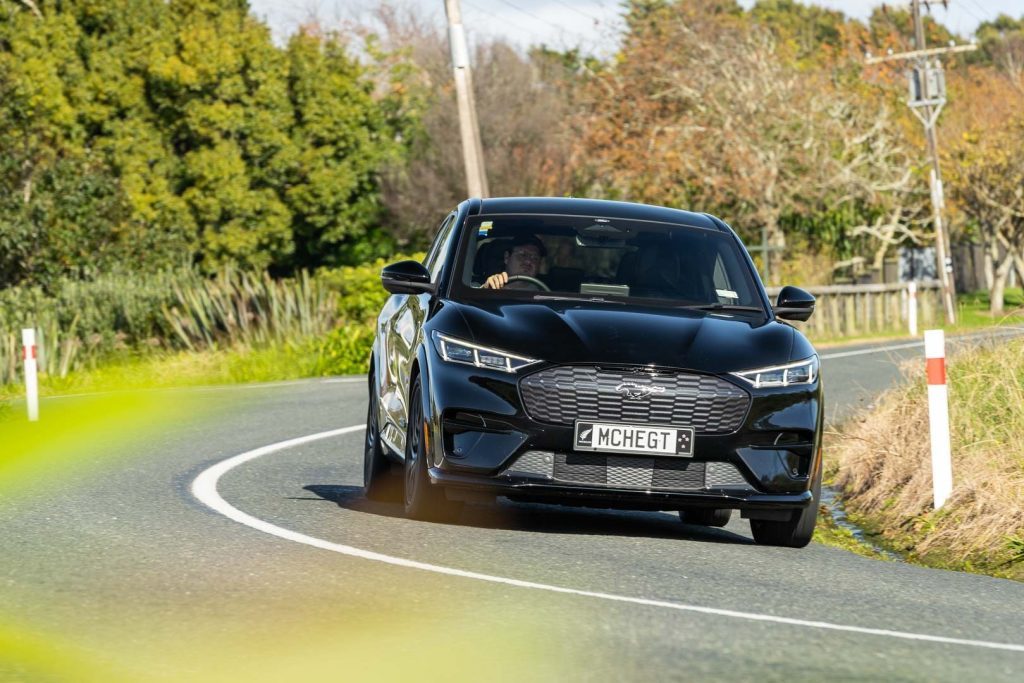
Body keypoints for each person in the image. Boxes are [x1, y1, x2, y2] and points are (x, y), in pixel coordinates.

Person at [483, 235, 547, 289]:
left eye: (535, 258)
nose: (528, 261)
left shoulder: (544, 294)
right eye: (522, 255)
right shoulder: (490, 285)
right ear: (507, 257)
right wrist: (487, 289)